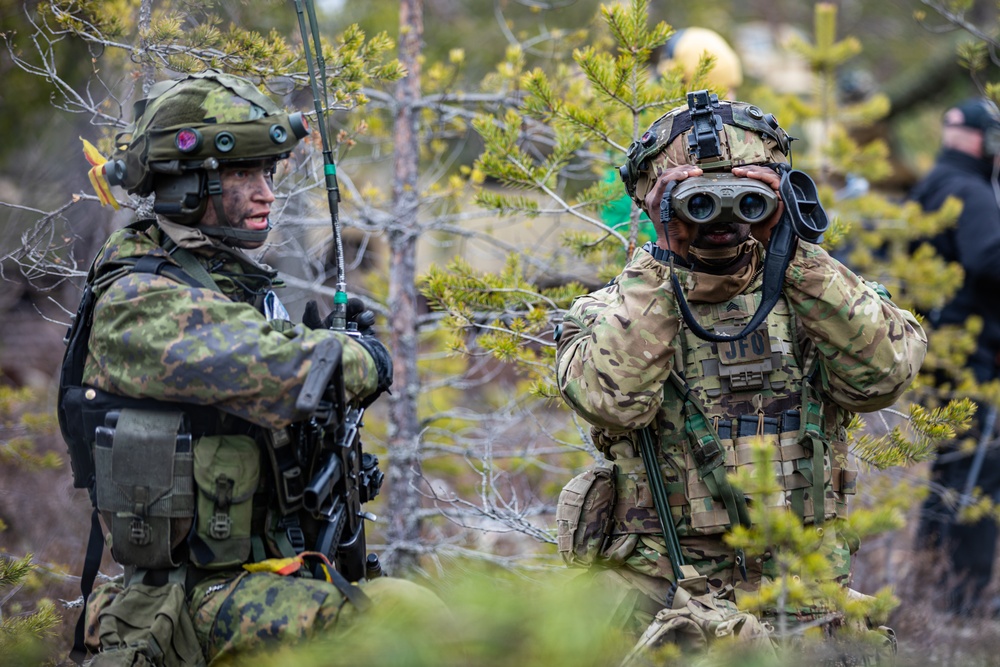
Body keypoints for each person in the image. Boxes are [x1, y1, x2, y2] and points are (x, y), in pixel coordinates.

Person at [64, 70, 444, 665]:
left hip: (261, 571)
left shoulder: (221, 281)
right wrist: (357, 358)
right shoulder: (138, 299)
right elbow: (282, 369)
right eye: (243, 174)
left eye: (267, 173)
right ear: (186, 184)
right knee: (407, 623)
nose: (266, 193)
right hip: (186, 602)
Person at [555, 93, 927, 637]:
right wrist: (665, 257)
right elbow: (614, 403)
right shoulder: (609, 316)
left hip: (801, 597)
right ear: (655, 202)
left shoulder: (816, 301)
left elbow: (886, 376)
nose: (721, 217)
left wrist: (792, 250)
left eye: (745, 196)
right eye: (697, 200)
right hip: (668, 601)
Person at [911, 97, 1000, 616]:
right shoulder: (969, 190)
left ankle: (931, 577)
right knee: (976, 474)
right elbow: (989, 257)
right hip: (971, 358)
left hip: (940, 353)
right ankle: (962, 602)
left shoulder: (935, 182)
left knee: (950, 473)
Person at [601, 27, 744, 246]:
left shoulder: (738, 127)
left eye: (730, 88)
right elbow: (616, 209)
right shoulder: (645, 132)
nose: (729, 99)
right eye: (716, 89)